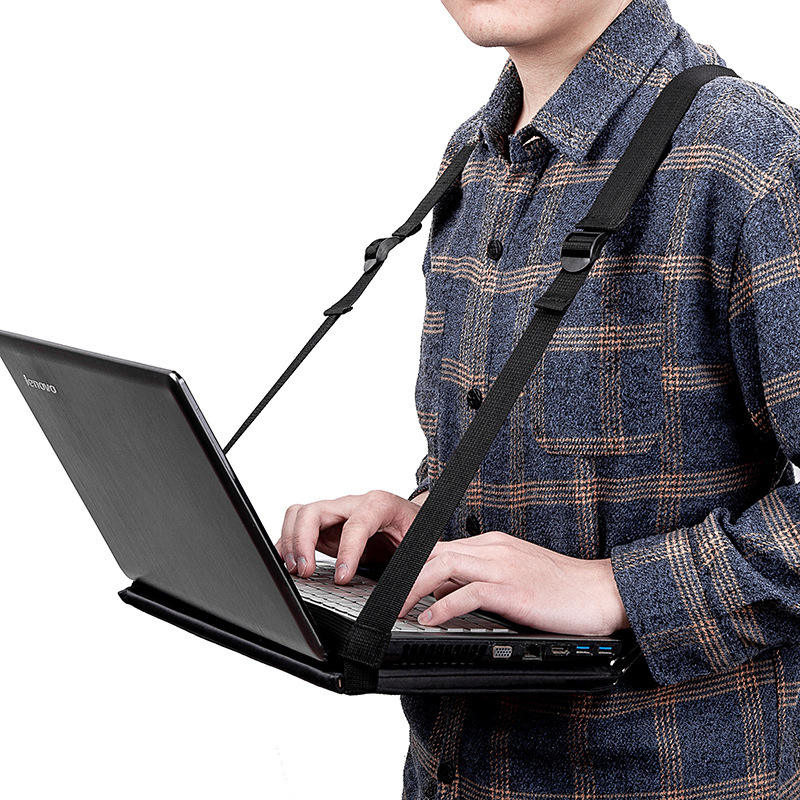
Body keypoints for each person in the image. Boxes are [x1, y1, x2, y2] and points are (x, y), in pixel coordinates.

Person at [277, 0, 800, 796]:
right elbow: (517, 456)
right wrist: (424, 524)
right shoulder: (472, 158)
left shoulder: (748, 158)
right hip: (450, 773)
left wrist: (618, 588)